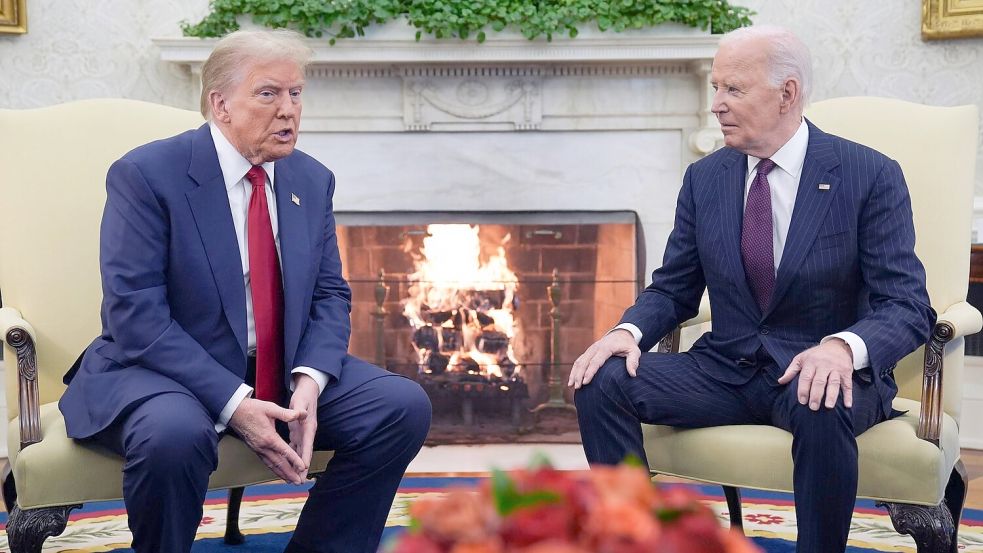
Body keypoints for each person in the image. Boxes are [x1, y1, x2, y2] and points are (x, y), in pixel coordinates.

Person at [58, 29, 432, 553]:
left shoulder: (310, 178)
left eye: (296, 94)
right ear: (220, 104)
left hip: (274, 368)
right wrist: (236, 404)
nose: (288, 110)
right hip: (164, 373)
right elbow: (135, 314)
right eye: (268, 93)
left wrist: (309, 383)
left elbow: (330, 294)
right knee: (173, 436)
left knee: (400, 405)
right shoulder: (146, 175)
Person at [569, 25, 934, 553]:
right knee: (602, 379)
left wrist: (841, 348)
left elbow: (906, 304)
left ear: (787, 93)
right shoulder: (705, 178)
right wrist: (627, 332)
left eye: (733, 90)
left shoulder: (867, 174)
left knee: (822, 397)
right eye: (715, 88)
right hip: (726, 368)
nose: (716, 105)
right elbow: (674, 288)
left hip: (819, 369)